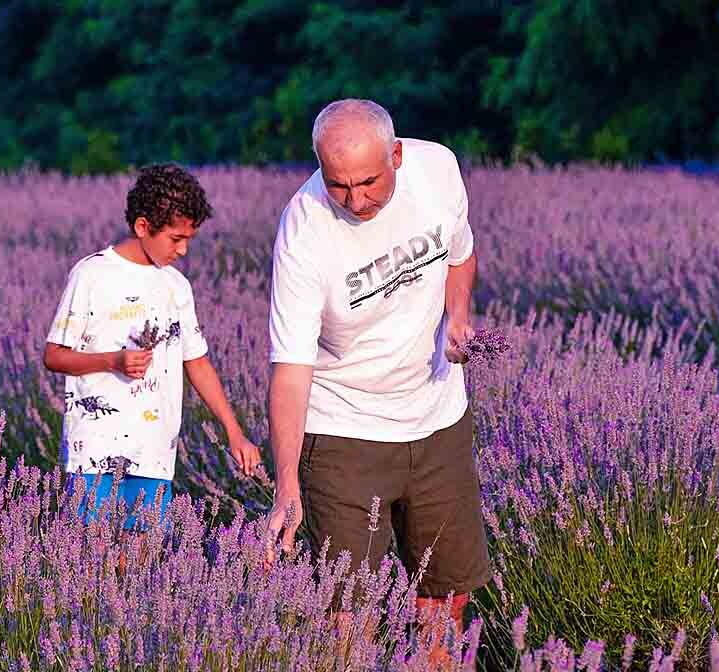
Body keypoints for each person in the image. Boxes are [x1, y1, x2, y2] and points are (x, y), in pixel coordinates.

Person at [262, 99, 492, 664]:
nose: (356, 200)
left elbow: (461, 256)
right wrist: (286, 486)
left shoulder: (437, 170)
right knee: (350, 611)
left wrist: (457, 318)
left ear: (396, 155)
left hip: (436, 417)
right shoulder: (305, 230)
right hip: (343, 429)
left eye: (368, 181)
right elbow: (290, 369)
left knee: (445, 598)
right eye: (338, 186)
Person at [44, 163, 262, 531]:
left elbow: (198, 363)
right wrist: (112, 360)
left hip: (154, 451)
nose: (183, 250)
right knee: (86, 563)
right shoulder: (92, 275)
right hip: (94, 451)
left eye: (189, 239)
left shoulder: (176, 286)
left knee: (143, 568)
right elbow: (54, 356)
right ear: (143, 227)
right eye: (176, 239)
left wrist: (234, 431)